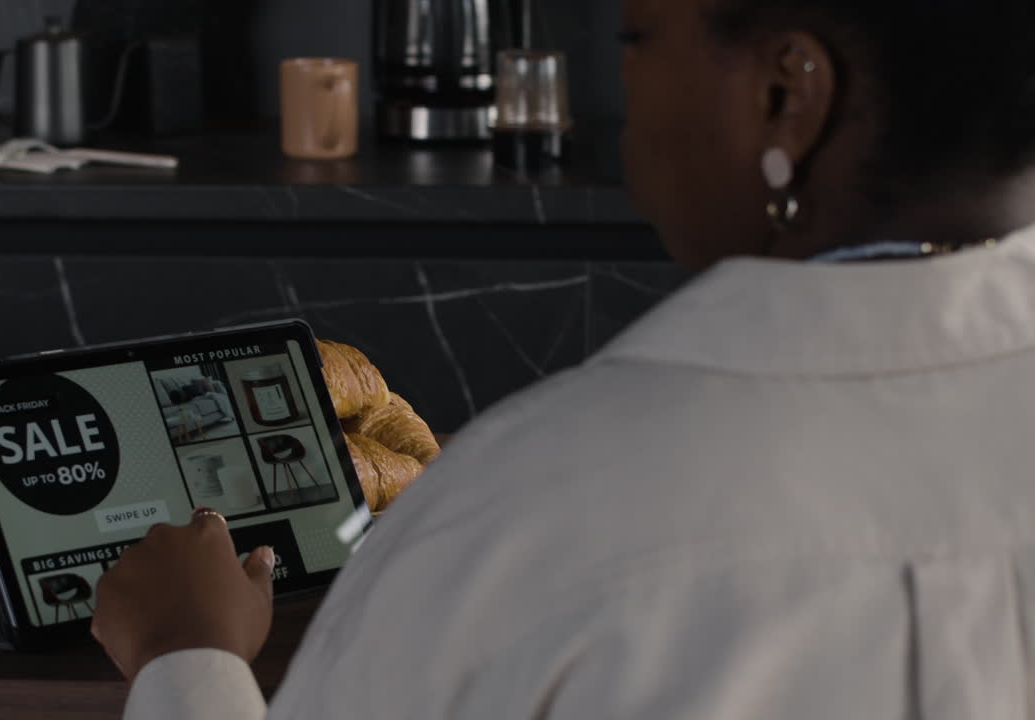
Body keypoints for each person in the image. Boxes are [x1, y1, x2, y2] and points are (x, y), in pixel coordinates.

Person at [94, 0, 1035, 716]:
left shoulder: (530, 506)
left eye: (636, 40)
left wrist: (188, 657)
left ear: (785, 94)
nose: (619, 95)